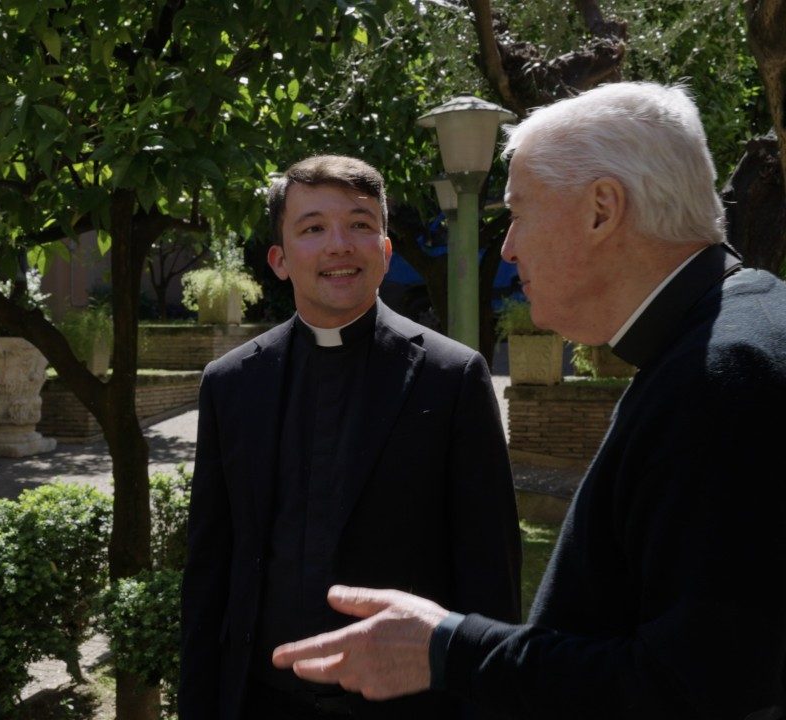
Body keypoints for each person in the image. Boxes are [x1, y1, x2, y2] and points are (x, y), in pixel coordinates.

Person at [272, 83, 786, 718]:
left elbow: (693, 691)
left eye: (519, 212)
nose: (510, 246)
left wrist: (448, 648)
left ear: (602, 209)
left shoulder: (723, 375)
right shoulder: (734, 330)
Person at [180, 154, 522, 720]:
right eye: (313, 228)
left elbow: (490, 580)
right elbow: (209, 574)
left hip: (406, 710)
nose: (339, 245)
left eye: (360, 224)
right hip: (261, 703)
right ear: (279, 259)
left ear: (385, 251)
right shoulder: (230, 383)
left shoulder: (452, 377)